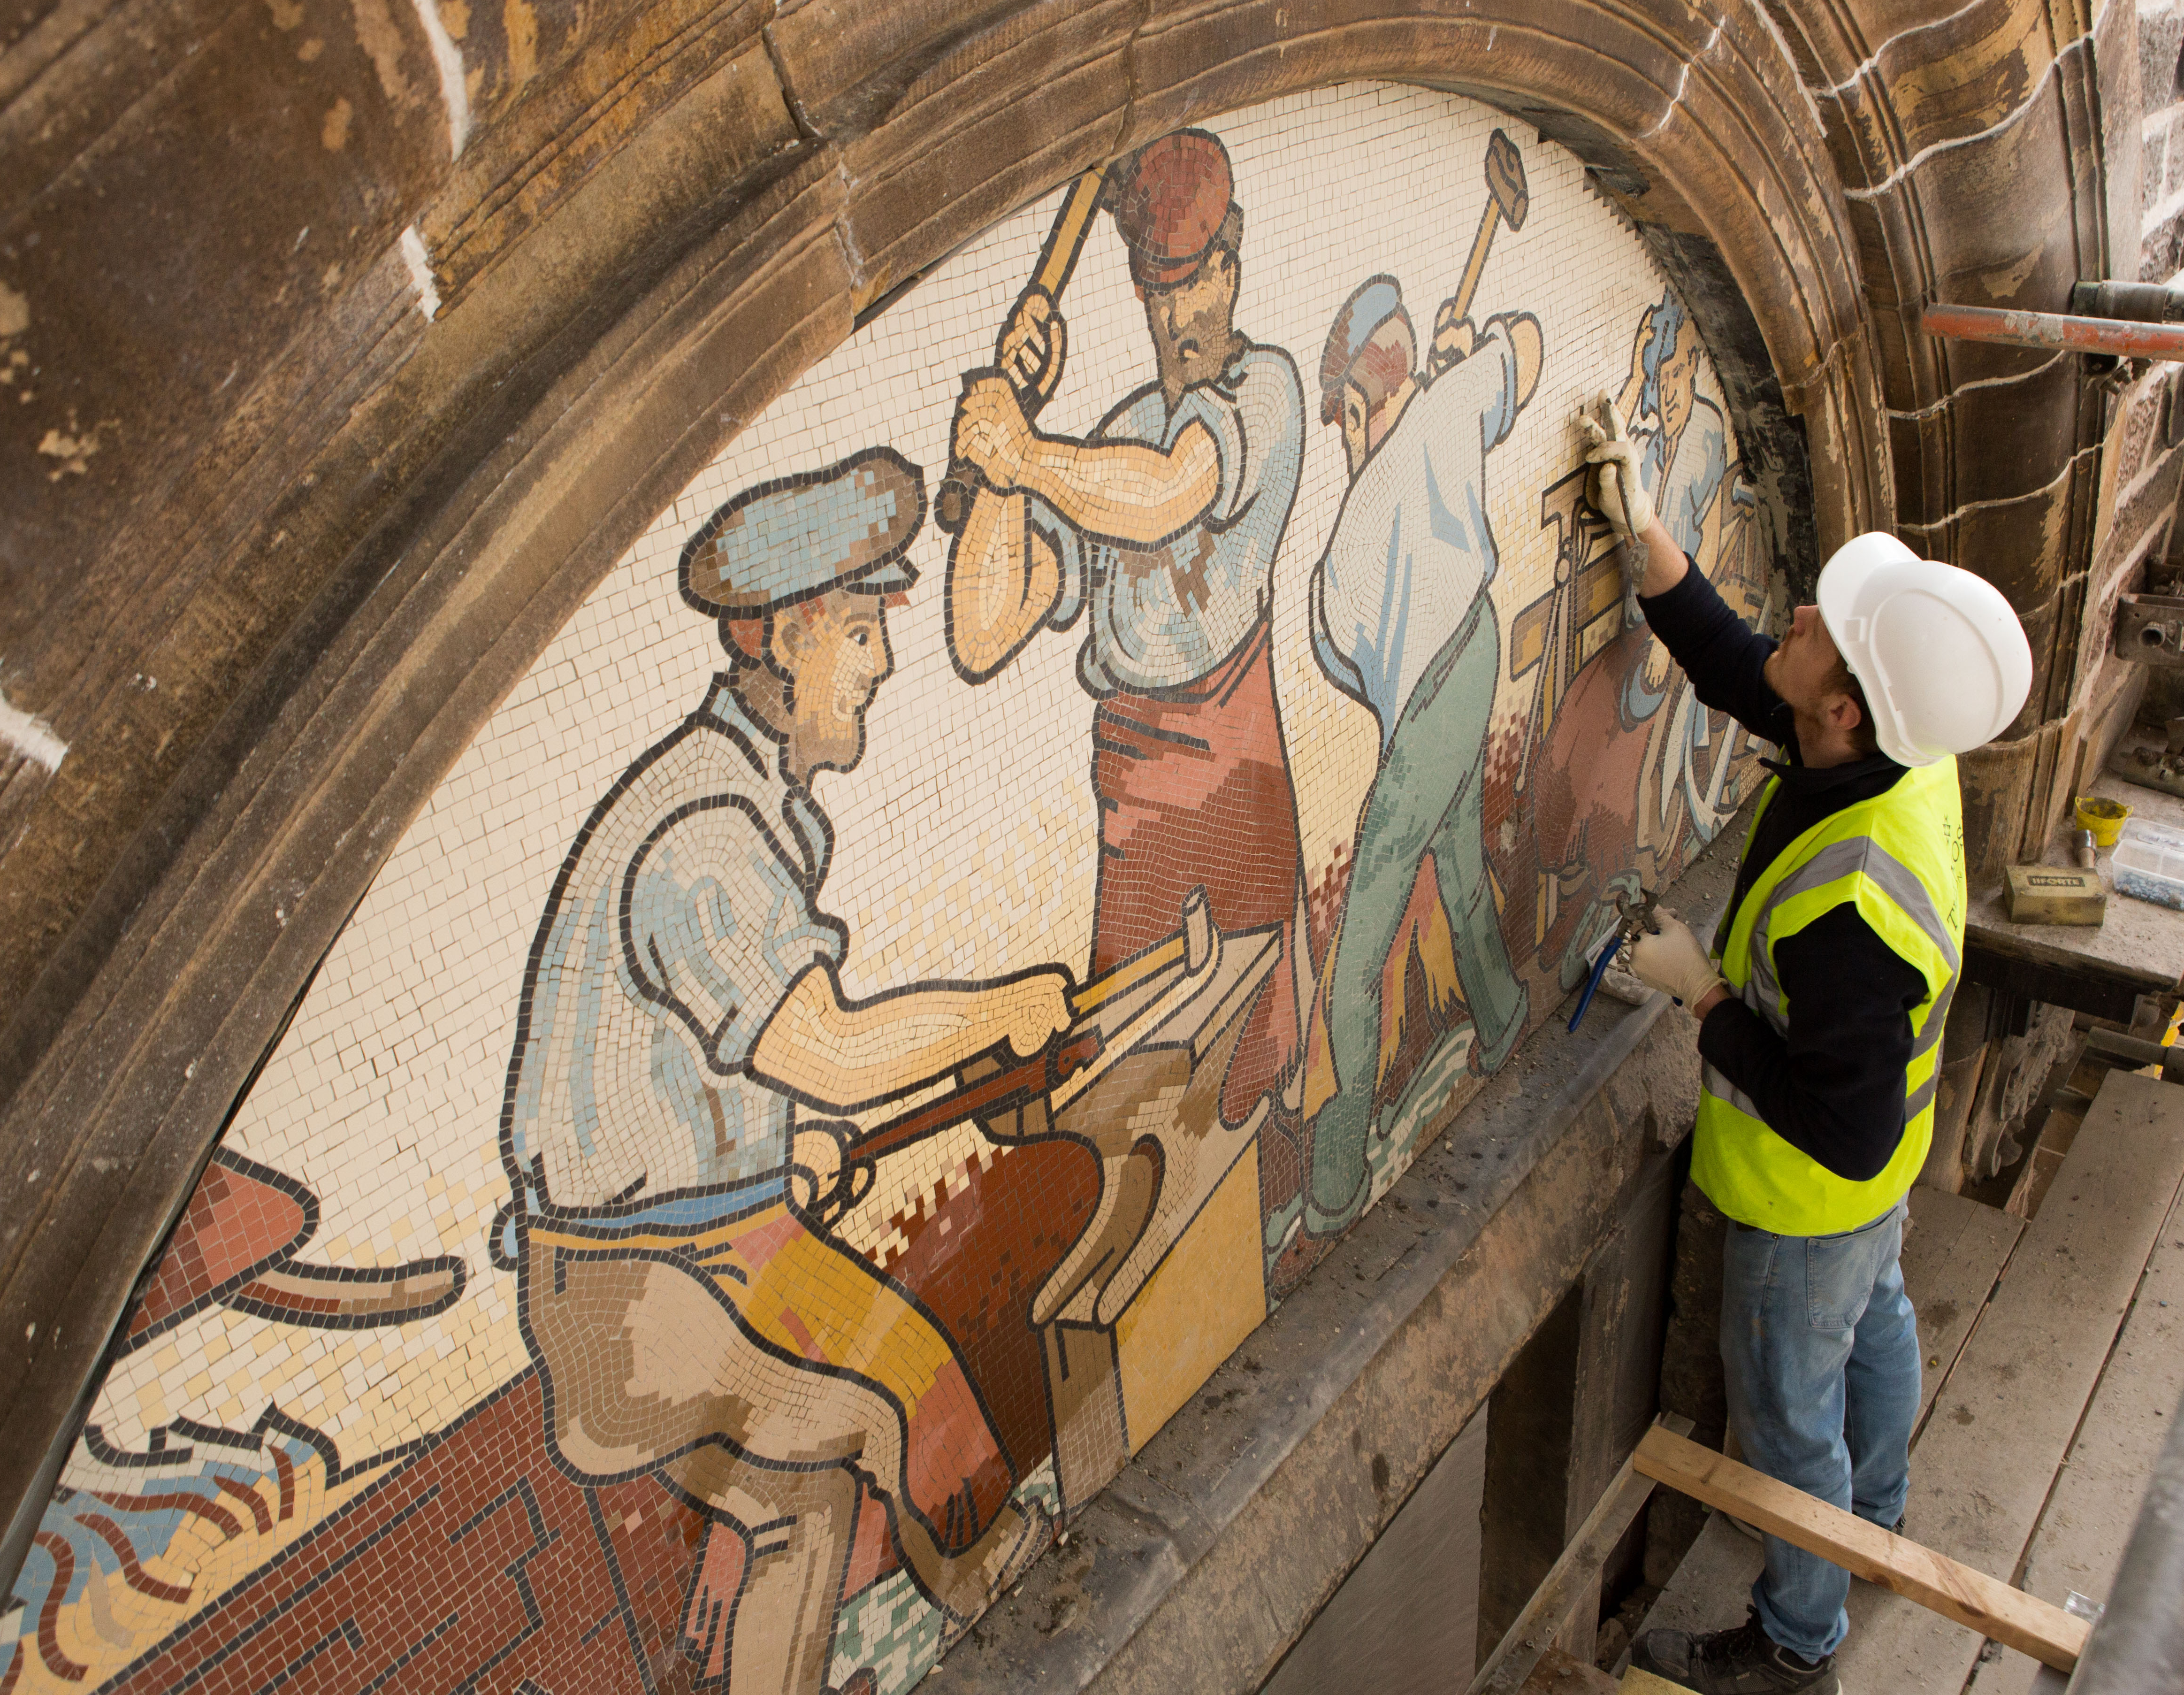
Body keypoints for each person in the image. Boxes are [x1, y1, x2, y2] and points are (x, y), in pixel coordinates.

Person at [497, 448, 1066, 1695]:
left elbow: (690, 1055)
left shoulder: (749, 802)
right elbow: (830, 1050)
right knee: (872, 1415)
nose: (883, 659)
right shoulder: (705, 834)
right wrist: (999, 1016)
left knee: (853, 1452)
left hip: (706, 1234)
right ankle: (1033, 1621)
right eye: (861, 629)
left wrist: (768, 1146)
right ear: (779, 643)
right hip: (627, 1292)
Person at [1585, 421, 2033, 1695]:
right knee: (1876, 1322)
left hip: (1806, 1193)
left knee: (1786, 1415)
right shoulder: (1896, 752)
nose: (1794, 610)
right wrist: (1656, 555)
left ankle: (1795, 1645)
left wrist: (1705, 996)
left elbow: (1836, 1125)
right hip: (1878, 1182)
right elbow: (1751, 672)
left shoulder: (1850, 920)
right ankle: (1871, 1524)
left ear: (1842, 706)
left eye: (1821, 626)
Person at [944, 128, 1306, 1134]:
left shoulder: (1265, 392)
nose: (1182, 315)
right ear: (1139, 294)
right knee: (1129, 1074)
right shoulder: (1109, 438)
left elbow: (1170, 497)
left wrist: (1022, 455)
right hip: (1135, 797)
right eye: (1161, 292)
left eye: (1198, 283)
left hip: (1239, 769)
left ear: (1231, 267)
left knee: (1253, 1046)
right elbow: (986, 627)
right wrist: (1010, 436)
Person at [1290, 276, 1538, 1250]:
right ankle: (1505, 1011)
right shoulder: (1452, 403)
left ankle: (1338, 1181)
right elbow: (1524, 342)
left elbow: (1339, 653)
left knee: (1354, 962)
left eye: (1346, 411)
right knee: (1460, 863)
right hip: (1474, 652)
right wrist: (1470, 352)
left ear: (1356, 404)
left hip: (1421, 706)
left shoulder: (1344, 547)